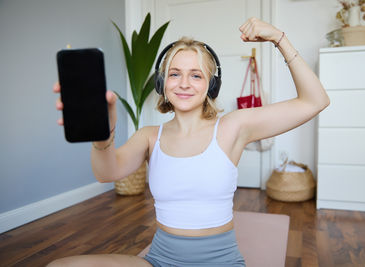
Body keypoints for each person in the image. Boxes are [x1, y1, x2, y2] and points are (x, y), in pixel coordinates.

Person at [49, 17, 329, 267]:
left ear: (211, 85)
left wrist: (279, 38)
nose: (184, 83)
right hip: (160, 260)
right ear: (162, 83)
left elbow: (315, 101)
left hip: (221, 261)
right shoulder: (149, 136)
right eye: (175, 74)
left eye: (196, 75)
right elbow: (105, 172)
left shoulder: (233, 127)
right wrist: (102, 135)